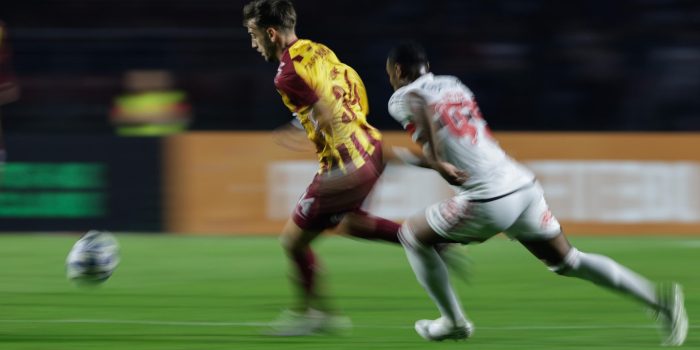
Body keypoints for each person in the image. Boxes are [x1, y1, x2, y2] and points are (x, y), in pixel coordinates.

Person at [385, 42, 688, 346]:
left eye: (390, 74)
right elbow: (455, 137)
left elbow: (420, 107)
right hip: (521, 186)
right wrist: (420, 160)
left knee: (412, 235)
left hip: (488, 199)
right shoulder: (453, 84)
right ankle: (659, 299)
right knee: (568, 261)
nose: (390, 80)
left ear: (398, 70)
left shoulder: (402, 97)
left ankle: (453, 321)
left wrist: (435, 161)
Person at [242, 0, 407, 336]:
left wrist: (299, 132)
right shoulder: (318, 50)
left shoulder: (286, 76)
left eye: (253, 34)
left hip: (346, 168)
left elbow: (325, 111)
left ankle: (313, 315)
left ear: (271, 33)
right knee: (351, 224)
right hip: (371, 148)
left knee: (293, 242)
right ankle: (424, 238)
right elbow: (350, 84)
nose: (253, 43)